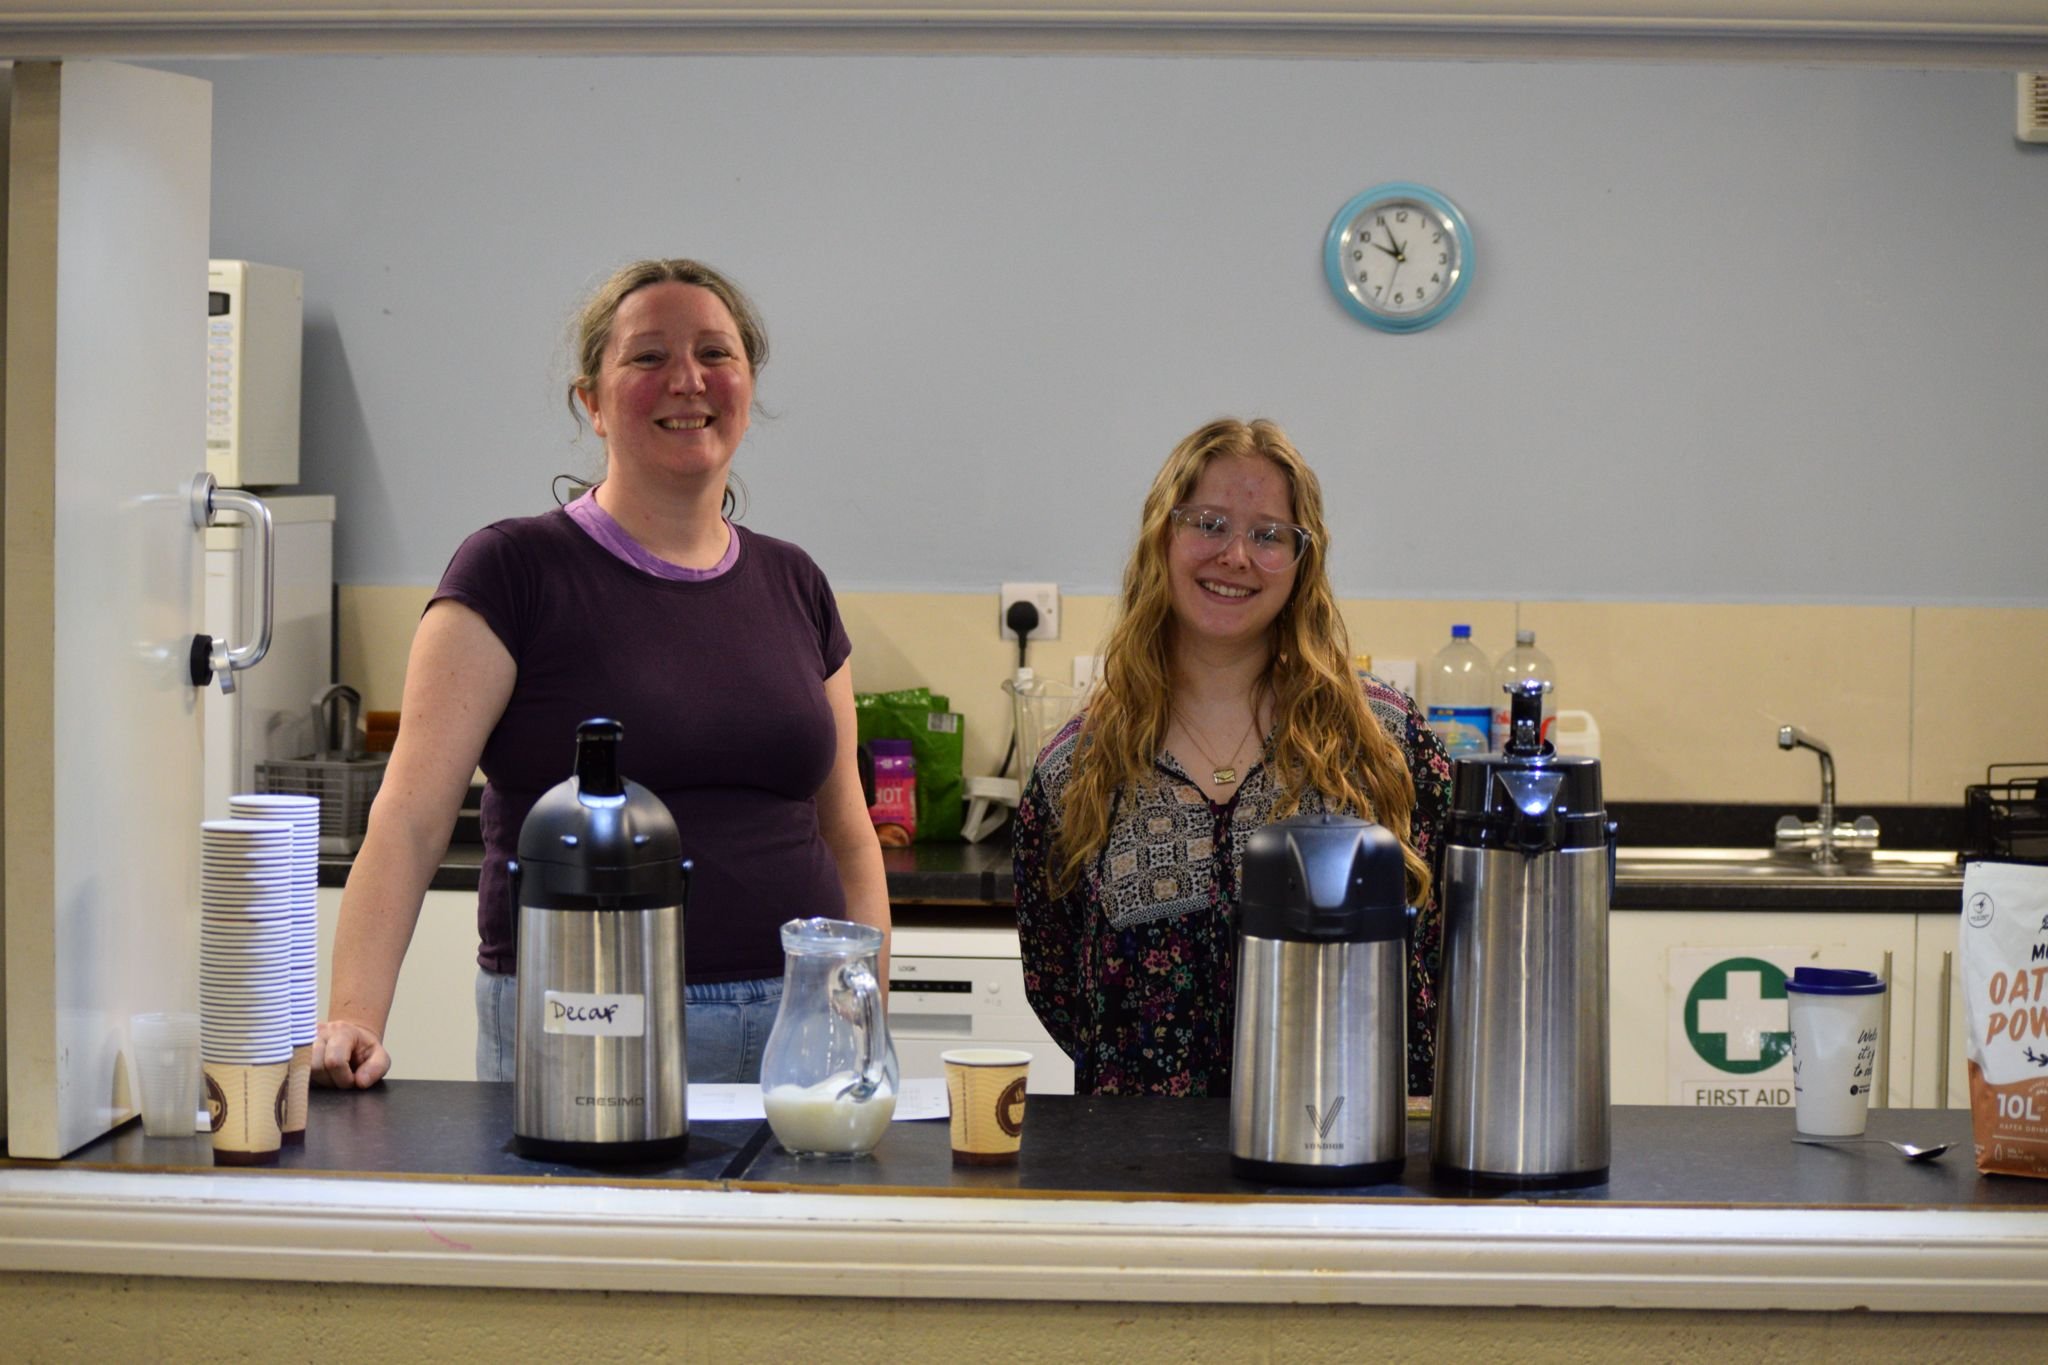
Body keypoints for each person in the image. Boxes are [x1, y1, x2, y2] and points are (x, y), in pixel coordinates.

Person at [315, 258, 889, 1089]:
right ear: (590, 400)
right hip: (581, 1023)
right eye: (647, 357)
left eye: (715, 354)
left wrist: (863, 1007)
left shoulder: (794, 583)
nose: (687, 380)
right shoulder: (511, 571)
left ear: (748, 386)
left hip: (794, 1029)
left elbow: (850, 836)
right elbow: (407, 820)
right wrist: (354, 1017)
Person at [1013, 417, 1451, 1099]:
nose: (1237, 556)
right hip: (1144, 1174)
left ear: (1304, 560)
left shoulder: (1384, 743)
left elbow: (1445, 954)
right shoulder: (1077, 767)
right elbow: (1057, 984)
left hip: (1348, 1163)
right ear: (1163, 536)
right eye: (1209, 523)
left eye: (1270, 534)